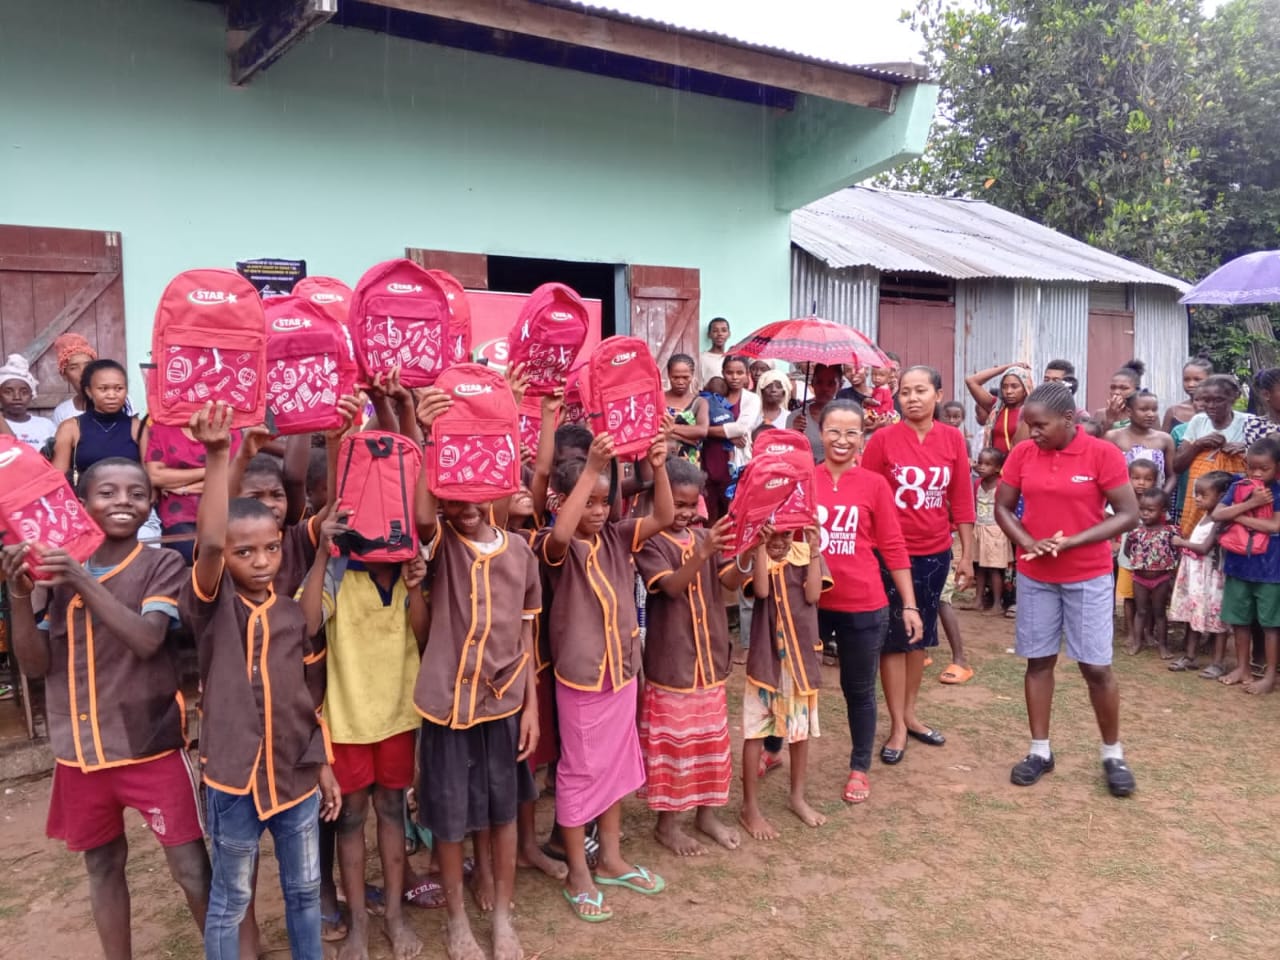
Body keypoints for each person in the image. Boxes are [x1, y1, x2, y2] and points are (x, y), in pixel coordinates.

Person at [1, 456, 210, 959]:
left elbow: (146, 639)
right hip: (80, 755)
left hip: (149, 745)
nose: (123, 502)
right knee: (102, 865)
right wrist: (17, 592)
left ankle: (223, 948)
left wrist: (78, 578)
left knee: (191, 869)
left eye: (137, 494)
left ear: (152, 504)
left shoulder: (160, 564)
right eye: (107, 493)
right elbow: (33, 666)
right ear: (80, 504)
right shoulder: (49, 574)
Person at [183, 401, 342, 960]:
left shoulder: (289, 614)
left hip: (295, 778)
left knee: (302, 891)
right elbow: (206, 543)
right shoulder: (210, 606)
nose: (261, 561)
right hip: (234, 782)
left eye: (271, 548)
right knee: (233, 895)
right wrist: (221, 453)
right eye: (243, 552)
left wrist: (322, 763)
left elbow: (303, 698)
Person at [411, 387, 543, 960]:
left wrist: (532, 706)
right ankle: (459, 919)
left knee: (503, 809)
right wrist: (427, 439)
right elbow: (419, 517)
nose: (465, 507)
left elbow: (527, 634)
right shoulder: (442, 544)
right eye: (453, 498)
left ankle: (504, 918)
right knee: (449, 815)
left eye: (474, 497)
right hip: (446, 704)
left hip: (505, 705)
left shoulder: (519, 550)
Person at [537, 429, 673, 922]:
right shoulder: (555, 548)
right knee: (579, 773)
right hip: (581, 679)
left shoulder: (618, 536)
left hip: (622, 671)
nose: (597, 511)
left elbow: (663, 516)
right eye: (588, 502)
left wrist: (658, 465)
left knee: (616, 766)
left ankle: (611, 857)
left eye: (603, 501)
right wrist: (593, 468)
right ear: (566, 500)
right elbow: (557, 535)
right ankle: (578, 869)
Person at [994, 381, 1139, 798]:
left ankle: (1113, 754)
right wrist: (1025, 542)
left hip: (1088, 575)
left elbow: (1128, 514)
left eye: (1040, 425)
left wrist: (1076, 540)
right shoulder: (1023, 454)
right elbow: (1004, 505)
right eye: (1028, 425)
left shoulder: (1102, 454)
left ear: (1069, 419)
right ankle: (1040, 751)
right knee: (1038, 662)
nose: (1032, 433)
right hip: (1037, 575)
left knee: (1095, 667)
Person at [312, 503, 428, 959]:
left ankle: (395, 915)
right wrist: (324, 554)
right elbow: (308, 624)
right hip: (347, 719)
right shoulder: (341, 571)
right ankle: (359, 918)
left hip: (399, 715)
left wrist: (416, 585)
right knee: (352, 817)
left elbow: (422, 634)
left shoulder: (407, 574)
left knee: (393, 810)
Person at [860, 367, 975, 763]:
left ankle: (910, 713)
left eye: (920, 390)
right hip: (889, 554)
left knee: (920, 637)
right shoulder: (883, 441)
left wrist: (967, 552)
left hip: (935, 553)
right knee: (894, 638)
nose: (912, 398)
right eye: (905, 391)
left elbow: (961, 499)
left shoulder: (953, 439)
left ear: (938, 394)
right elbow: (866, 496)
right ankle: (895, 724)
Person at [813, 400, 922, 805]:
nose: (842, 441)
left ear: (863, 436)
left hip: (864, 605)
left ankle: (859, 767)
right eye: (834, 432)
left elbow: (893, 547)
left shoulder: (875, 484)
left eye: (851, 433)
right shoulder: (804, 480)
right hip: (812, 604)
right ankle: (773, 748)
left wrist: (909, 605)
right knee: (792, 682)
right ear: (820, 432)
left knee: (858, 689)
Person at [634, 463, 739, 855]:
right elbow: (672, 589)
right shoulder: (650, 542)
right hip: (672, 662)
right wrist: (703, 550)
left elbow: (729, 581)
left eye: (691, 505)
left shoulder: (702, 535)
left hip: (709, 658)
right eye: (677, 504)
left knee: (711, 741)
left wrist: (751, 551)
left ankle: (707, 813)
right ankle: (667, 824)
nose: (685, 512)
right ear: (656, 501)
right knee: (675, 749)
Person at [727, 524, 831, 840]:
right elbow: (760, 591)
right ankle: (750, 808)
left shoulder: (806, 553)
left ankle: (797, 797)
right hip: (766, 661)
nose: (780, 542)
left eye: (788, 535)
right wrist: (759, 547)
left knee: (800, 733)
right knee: (756, 731)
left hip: (799, 661)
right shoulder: (757, 556)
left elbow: (813, 595)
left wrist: (813, 551)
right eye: (773, 534)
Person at [1211, 438, 1280, 695]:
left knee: (1270, 624)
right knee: (1239, 620)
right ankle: (1243, 668)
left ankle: (1270, 675)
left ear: (1278, 468)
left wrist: (1236, 516)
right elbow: (1217, 514)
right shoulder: (1239, 486)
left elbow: (1274, 526)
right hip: (1239, 564)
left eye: (1265, 469)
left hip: (1271, 569)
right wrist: (1250, 504)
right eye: (1252, 468)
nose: (1258, 474)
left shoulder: (1279, 492)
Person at [143, 418, 243, 564]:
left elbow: (233, 477)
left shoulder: (229, 429)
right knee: (191, 553)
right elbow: (155, 476)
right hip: (178, 515)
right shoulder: (163, 428)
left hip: (224, 511)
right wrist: (215, 468)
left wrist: (183, 487)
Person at [1172, 375, 1253, 537]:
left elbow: (1263, 464)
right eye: (1205, 400)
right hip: (1200, 499)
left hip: (1233, 501)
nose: (1211, 406)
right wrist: (1198, 445)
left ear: (1234, 397)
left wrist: (1246, 449)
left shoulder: (1249, 423)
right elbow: (1178, 465)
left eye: (1218, 400)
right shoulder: (1198, 422)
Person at [1168, 471, 1231, 675]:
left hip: (1211, 577)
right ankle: (1190, 656)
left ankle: (1218, 662)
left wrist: (1181, 542)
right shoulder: (1204, 516)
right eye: (1196, 493)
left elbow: (1204, 547)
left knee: (1217, 619)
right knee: (1192, 615)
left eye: (1203, 495)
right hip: (1196, 575)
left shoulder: (1219, 520)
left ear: (1221, 497)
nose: (1197, 498)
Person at [50, 359, 143, 478]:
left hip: (128, 495)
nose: (112, 395)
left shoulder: (138, 428)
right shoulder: (70, 428)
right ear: (89, 391)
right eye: (103, 389)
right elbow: (58, 478)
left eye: (119, 388)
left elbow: (150, 477)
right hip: (82, 496)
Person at [1124, 489, 1180, 660]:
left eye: (1151, 510)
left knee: (1160, 613)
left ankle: (1163, 645)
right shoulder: (1135, 531)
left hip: (1161, 579)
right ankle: (1137, 642)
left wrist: (1165, 567)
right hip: (1139, 578)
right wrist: (1141, 563)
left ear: (1163, 511)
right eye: (1142, 509)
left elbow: (1177, 552)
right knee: (1140, 611)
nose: (1145, 513)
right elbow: (1127, 551)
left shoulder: (1170, 531)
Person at [703, 356, 759, 521]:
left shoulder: (751, 399)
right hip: (709, 461)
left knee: (732, 514)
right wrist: (729, 436)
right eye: (729, 372)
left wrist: (703, 431)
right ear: (722, 373)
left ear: (747, 374)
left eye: (739, 373)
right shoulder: (713, 396)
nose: (734, 377)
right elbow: (699, 420)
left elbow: (741, 428)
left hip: (735, 465)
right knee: (709, 515)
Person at [1114, 459, 1160, 646]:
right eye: (1136, 478)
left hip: (1151, 562)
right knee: (1129, 597)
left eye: (1147, 479)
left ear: (1155, 481)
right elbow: (1109, 519)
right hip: (1127, 560)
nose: (1141, 483)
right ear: (1128, 478)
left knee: (1148, 600)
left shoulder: (1157, 502)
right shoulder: (1121, 500)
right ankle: (1131, 632)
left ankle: (1148, 633)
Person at [49, 333, 133, 426]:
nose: (83, 372)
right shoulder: (63, 412)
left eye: (87, 365)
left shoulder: (117, 400)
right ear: (65, 376)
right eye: (73, 368)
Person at [968, 448, 1014, 615]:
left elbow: (1008, 508)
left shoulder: (1001, 485)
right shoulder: (977, 484)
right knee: (979, 567)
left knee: (994, 569)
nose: (981, 467)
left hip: (996, 531)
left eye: (987, 464)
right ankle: (978, 600)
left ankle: (997, 604)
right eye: (980, 463)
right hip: (980, 529)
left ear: (997, 468)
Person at [1105, 389, 1175, 486]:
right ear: (1129, 411)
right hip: (1120, 499)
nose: (1150, 414)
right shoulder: (1113, 437)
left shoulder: (1165, 439)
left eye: (1154, 410)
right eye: (1143, 409)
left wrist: (1161, 497)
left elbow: (1172, 476)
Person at [964, 363, 1032, 456]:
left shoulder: (1032, 413)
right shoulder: (996, 408)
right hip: (994, 467)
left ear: (1025, 389)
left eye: (1014, 386)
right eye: (1004, 387)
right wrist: (1006, 368)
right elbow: (971, 381)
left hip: (1017, 465)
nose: (1008, 391)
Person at [787, 363, 842, 463]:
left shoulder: (848, 418)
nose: (824, 388)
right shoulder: (796, 417)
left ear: (840, 385)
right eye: (819, 382)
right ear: (812, 383)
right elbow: (788, 453)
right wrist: (794, 433)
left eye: (831, 383)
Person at [0, 353, 55, 451]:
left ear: (32, 395)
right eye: (8, 392)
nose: (17, 397)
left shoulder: (46, 425)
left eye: (24, 392)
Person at [664, 353, 708, 466]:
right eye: (675, 377)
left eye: (685, 377)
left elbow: (702, 431)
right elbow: (652, 430)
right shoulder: (659, 399)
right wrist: (688, 438)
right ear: (668, 374)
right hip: (661, 459)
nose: (680, 382)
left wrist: (669, 429)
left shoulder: (699, 402)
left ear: (692, 375)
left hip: (689, 462)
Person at [1162, 358, 1214, 433]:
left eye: (1197, 379)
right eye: (1186, 379)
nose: (1191, 384)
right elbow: (1163, 442)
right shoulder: (1174, 412)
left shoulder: (1218, 410)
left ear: (1210, 379)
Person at [1093, 360, 1146, 430]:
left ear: (1136, 390)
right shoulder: (1100, 414)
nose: (1116, 392)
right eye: (1113, 387)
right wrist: (1110, 418)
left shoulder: (1145, 415)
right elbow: (1097, 440)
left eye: (1124, 388)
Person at [698, 317, 732, 387]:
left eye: (724, 330)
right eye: (715, 331)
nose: (720, 334)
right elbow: (699, 384)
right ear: (709, 335)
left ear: (729, 334)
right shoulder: (702, 358)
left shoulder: (732, 358)